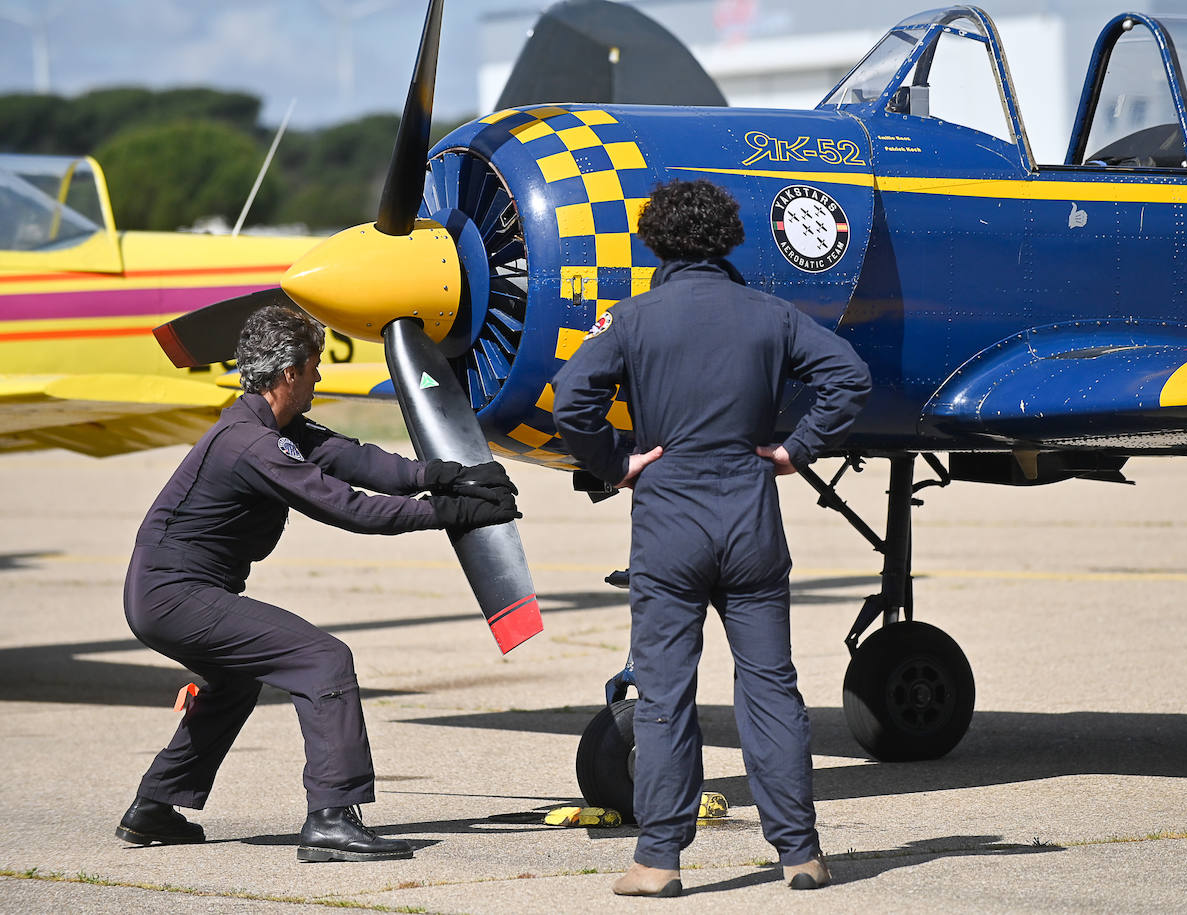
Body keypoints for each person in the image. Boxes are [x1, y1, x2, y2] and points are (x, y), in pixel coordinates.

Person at [552, 179, 871, 896]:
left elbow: (574, 398)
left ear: (655, 240)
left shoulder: (632, 320)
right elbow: (847, 376)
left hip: (669, 526)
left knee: (665, 692)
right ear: (728, 238)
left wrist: (616, 461)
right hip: (752, 518)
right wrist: (795, 450)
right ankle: (801, 853)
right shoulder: (772, 314)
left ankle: (658, 860)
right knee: (771, 687)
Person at [116, 304, 519, 862]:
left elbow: (354, 461)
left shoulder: (273, 425)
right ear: (289, 374)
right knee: (322, 659)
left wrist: (443, 475)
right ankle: (331, 817)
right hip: (175, 594)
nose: (319, 378)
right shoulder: (251, 444)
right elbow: (347, 507)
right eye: (314, 368)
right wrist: (450, 512)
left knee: (235, 683)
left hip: (165, 593)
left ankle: (154, 806)